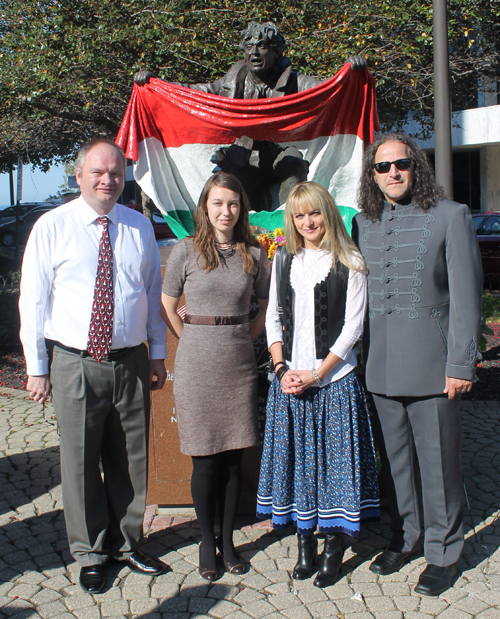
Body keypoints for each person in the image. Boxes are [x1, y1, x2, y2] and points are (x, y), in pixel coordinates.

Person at [19, 138, 169, 595]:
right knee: (81, 461)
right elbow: (34, 300)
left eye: (117, 174)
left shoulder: (138, 226)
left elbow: (149, 293)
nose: (109, 180)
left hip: (130, 361)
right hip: (74, 363)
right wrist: (37, 366)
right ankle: (90, 551)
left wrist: (157, 352)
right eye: (99, 172)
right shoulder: (52, 226)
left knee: (130, 457)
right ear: (79, 175)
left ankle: (127, 542)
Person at [352, 133, 483, 597]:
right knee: (398, 465)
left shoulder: (451, 216)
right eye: (382, 167)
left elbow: (467, 299)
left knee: (439, 465)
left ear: (416, 167)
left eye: (401, 164)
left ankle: (444, 551)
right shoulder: (362, 224)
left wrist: (462, 364)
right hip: (382, 368)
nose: (393, 173)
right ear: (372, 175)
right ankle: (406, 536)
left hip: (433, 366)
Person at [257, 181, 379, 588]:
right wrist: (280, 368)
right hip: (290, 379)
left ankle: (333, 547)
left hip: (334, 381)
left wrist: (317, 374)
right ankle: (304, 542)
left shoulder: (352, 261)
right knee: (299, 467)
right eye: (298, 215)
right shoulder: (282, 260)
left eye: (314, 213)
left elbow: (352, 329)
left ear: (327, 213)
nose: (307, 222)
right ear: (291, 220)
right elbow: (273, 316)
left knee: (334, 467)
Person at [161, 171, 271, 581]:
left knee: (233, 461)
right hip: (196, 363)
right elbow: (168, 303)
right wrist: (188, 336)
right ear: (205, 207)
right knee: (205, 463)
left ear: (241, 208)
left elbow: (265, 303)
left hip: (238, 363)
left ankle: (228, 541)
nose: (226, 211)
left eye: (233, 203)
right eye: (218, 203)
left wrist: (248, 335)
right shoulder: (186, 250)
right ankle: (208, 541)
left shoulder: (254, 254)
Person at [134, 22, 366, 210]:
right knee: (227, 182)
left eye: (262, 46)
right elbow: (196, 91)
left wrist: (349, 74)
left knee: (293, 166)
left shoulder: (296, 81)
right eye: (249, 47)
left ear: (276, 51)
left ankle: (291, 226)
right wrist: (157, 85)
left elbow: (327, 91)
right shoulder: (231, 82)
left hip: (280, 153)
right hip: (244, 155)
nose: (254, 52)